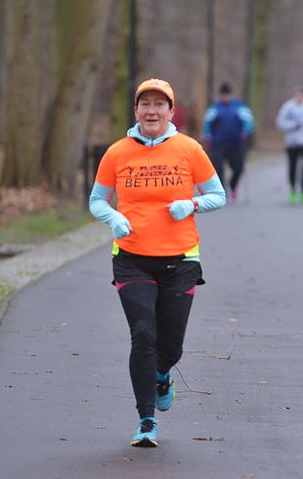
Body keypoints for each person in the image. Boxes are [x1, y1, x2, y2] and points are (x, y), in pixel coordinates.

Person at [89, 78, 226, 448]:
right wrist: (113, 218)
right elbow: (97, 200)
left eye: (159, 105)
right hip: (131, 258)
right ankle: (146, 420)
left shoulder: (189, 149)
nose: (152, 111)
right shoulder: (117, 152)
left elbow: (218, 194)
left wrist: (191, 204)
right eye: (145, 104)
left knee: (171, 346)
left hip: (181, 259)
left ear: (171, 111)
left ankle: (163, 375)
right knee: (143, 335)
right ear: (136, 110)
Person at [203, 82, 255, 203]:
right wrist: (208, 135)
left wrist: (245, 132)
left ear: (231, 95)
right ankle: (222, 191)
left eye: (227, 95)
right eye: (223, 95)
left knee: (238, 167)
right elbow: (207, 123)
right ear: (220, 95)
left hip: (236, 143)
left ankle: (233, 185)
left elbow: (248, 121)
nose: (225, 98)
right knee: (218, 168)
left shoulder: (240, 106)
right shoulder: (215, 107)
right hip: (218, 143)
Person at [275, 85, 303, 205]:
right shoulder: (288, 107)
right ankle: (293, 191)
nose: (299, 97)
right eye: (297, 95)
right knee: (293, 168)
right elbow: (280, 122)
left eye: (301, 95)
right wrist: (294, 125)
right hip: (292, 142)